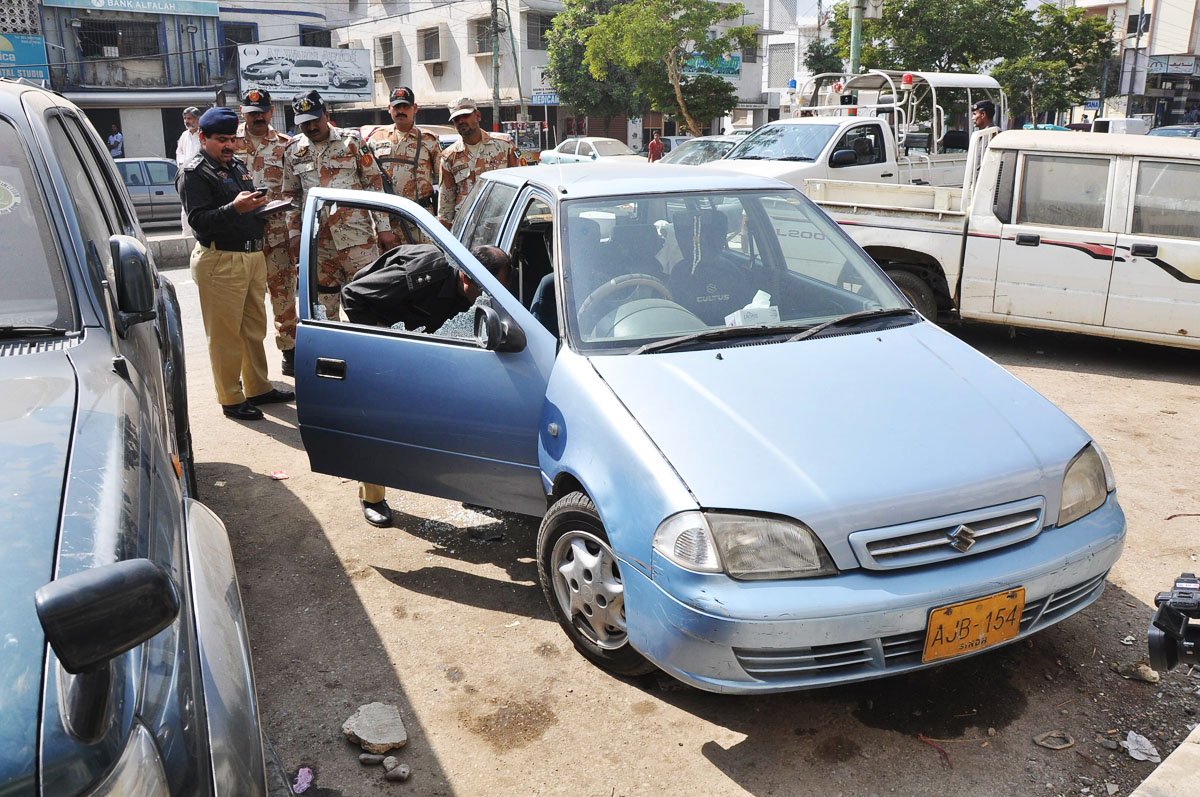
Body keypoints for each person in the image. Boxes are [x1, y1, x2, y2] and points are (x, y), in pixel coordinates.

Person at [341, 243, 513, 526]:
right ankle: (372, 497)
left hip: (408, 335)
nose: (485, 297)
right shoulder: (424, 273)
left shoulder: (467, 288)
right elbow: (353, 296)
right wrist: (385, 347)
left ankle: (468, 488)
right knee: (377, 415)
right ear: (467, 276)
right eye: (483, 289)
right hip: (370, 325)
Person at [177, 107, 295, 421]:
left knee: (253, 329)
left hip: (251, 256)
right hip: (221, 259)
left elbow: (242, 207)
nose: (229, 145)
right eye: (221, 140)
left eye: (232, 139)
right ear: (203, 137)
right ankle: (231, 397)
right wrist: (235, 207)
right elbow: (199, 221)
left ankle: (257, 387)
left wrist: (260, 206)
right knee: (226, 334)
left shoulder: (234, 166)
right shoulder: (195, 172)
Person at [281, 90, 399, 320]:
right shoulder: (293, 150)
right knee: (324, 306)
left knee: (368, 299)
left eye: (316, 120)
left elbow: (373, 183)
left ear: (326, 114)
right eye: (305, 123)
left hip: (357, 238)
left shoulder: (351, 141)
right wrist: (295, 233)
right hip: (319, 242)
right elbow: (291, 196)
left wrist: (383, 227)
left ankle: (370, 350)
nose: (312, 127)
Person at [236, 87, 297, 377]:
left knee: (283, 297)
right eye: (252, 113)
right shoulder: (229, 142)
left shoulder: (286, 145)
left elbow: (296, 189)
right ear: (243, 113)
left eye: (262, 112)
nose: (258, 118)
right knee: (246, 302)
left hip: (277, 236)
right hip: (240, 236)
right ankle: (251, 367)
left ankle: (290, 353)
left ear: (272, 112)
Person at [367, 86, 442, 242]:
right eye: (396, 107)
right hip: (386, 221)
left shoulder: (429, 140)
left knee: (424, 262)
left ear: (415, 108)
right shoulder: (376, 138)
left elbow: (443, 181)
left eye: (405, 106)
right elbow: (369, 180)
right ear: (389, 109)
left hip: (420, 218)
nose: (401, 111)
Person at [437, 97, 519, 228]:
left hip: (501, 225)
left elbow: (520, 184)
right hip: (465, 227)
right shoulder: (449, 157)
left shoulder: (504, 146)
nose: (461, 121)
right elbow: (446, 203)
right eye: (456, 119)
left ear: (478, 116)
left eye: (465, 115)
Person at [176, 107, 202, 235]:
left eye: (190, 118)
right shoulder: (184, 135)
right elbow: (179, 152)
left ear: (197, 120)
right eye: (185, 118)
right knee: (185, 206)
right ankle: (186, 234)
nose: (187, 121)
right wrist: (182, 163)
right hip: (186, 176)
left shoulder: (204, 135)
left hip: (201, 177)